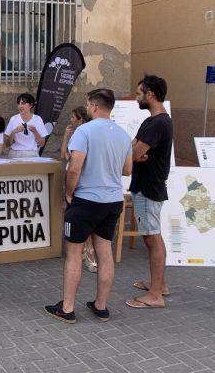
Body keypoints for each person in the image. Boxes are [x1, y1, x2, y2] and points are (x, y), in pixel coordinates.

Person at [45, 89, 132, 324]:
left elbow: (74, 168)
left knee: (73, 254)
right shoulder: (124, 135)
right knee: (104, 253)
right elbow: (127, 170)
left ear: (93, 106)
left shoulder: (84, 131)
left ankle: (67, 308)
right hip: (112, 200)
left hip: (86, 200)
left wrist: (68, 191)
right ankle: (101, 307)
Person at [126, 75, 173, 309]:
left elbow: (134, 154)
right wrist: (136, 152)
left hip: (149, 187)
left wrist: (137, 154)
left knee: (152, 238)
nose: (136, 98)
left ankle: (155, 295)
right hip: (147, 185)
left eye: (138, 94)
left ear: (150, 94)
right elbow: (132, 148)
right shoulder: (151, 121)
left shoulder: (157, 123)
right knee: (153, 236)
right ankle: (160, 285)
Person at [61, 106, 97, 274]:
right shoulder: (75, 134)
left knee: (83, 218)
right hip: (71, 176)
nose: (71, 119)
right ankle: (82, 252)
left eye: (73, 117)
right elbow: (65, 155)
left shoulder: (85, 134)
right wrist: (66, 137)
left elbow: (76, 161)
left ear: (80, 119)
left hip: (80, 180)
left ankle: (89, 256)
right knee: (73, 214)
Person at [4, 93, 48, 157]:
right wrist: (13, 132)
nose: (20, 106)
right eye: (18, 103)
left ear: (30, 105)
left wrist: (35, 131)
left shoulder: (38, 119)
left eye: (23, 103)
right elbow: (7, 144)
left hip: (32, 154)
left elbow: (42, 144)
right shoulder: (13, 119)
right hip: (15, 153)